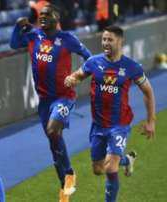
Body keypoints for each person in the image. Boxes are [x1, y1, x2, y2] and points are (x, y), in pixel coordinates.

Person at [9, 4, 91, 202]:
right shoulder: (33, 35)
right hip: (44, 100)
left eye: (47, 14)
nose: (42, 17)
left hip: (64, 97)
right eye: (41, 14)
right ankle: (65, 182)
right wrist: (16, 27)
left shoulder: (67, 39)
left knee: (53, 130)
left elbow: (89, 58)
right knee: (53, 143)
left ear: (57, 17)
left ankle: (69, 174)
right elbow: (13, 44)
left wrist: (78, 77)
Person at [64, 25, 156, 202]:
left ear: (120, 41)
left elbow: (148, 91)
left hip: (119, 125)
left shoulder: (131, 67)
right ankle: (127, 160)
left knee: (110, 168)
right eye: (104, 39)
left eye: (110, 39)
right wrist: (72, 79)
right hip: (98, 125)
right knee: (98, 169)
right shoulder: (94, 62)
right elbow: (78, 75)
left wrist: (151, 120)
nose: (105, 43)